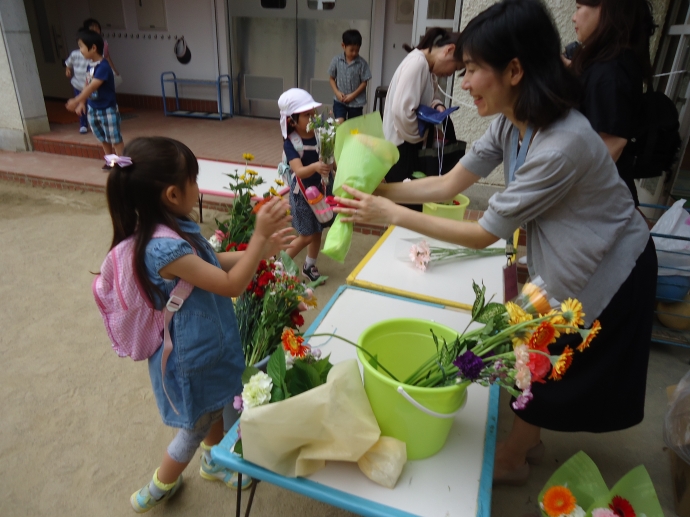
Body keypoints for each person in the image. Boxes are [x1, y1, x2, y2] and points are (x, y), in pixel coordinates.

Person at [334, 0, 656, 486]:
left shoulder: (562, 142)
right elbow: (447, 185)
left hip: (613, 262)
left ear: (514, 69)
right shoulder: (512, 121)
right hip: (573, 254)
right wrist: (377, 189)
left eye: (471, 71)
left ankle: (513, 455)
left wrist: (389, 213)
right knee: (533, 348)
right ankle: (526, 444)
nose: (462, 84)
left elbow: (484, 232)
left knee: (539, 351)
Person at [103, 137, 293, 512]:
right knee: (194, 427)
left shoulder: (172, 225)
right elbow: (231, 285)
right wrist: (256, 237)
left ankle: (212, 463)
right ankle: (161, 485)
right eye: (194, 179)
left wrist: (258, 251)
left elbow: (210, 261)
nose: (198, 185)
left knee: (219, 403)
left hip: (209, 342)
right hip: (192, 356)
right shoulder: (160, 248)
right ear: (173, 193)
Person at [568, 0, 656, 206]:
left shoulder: (610, 72)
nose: (574, 17)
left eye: (579, 8)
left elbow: (612, 145)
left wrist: (568, 193)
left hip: (600, 206)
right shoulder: (610, 62)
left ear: (605, 11)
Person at [383, 27, 463, 188]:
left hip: (404, 147)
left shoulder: (425, 65)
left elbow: (431, 95)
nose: (450, 74)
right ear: (449, 50)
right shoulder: (418, 63)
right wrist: (424, 135)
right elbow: (402, 113)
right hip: (402, 150)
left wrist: (437, 105)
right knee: (405, 204)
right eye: (455, 68)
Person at [279, 88, 333, 282]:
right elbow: (299, 171)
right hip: (301, 194)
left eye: (313, 113)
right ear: (292, 120)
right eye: (306, 115)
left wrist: (332, 163)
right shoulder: (291, 142)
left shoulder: (321, 135)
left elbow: (331, 160)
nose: (312, 118)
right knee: (306, 235)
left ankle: (309, 266)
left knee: (317, 230)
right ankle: (281, 264)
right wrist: (317, 166)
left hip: (320, 190)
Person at [65, 30, 123, 171]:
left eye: (81, 46)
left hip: (107, 108)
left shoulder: (103, 66)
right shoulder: (90, 65)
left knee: (115, 138)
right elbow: (87, 83)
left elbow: (93, 86)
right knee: (102, 137)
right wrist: (82, 103)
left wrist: (76, 99)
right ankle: (111, 161)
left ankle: (123, 164)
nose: (80, 50)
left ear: (93, 48)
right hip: (93, 108)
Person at [328, 29, 372, 123]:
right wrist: (337, 93)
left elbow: (364, 83)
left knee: (353, 126)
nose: (354, 53)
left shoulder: (362, 63)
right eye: (351, 50)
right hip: (340, 101)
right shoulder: (336, 60)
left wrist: (352, 96)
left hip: (356, 102)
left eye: (357, 50)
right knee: (339, 122)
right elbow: (331, 78)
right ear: (343, 46)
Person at [64, 35, 90, 134]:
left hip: (89, 86)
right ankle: (83, 124)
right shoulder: (75, 54)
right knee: (81, 106)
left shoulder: (94, 61)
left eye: (82, 46)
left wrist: (78, 101)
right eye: (79, 46)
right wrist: (68, 70)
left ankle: (94, 123)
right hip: (78, 84)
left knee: (89, 105)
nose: (80, 49)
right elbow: (68, 63)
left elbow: (90, 80)